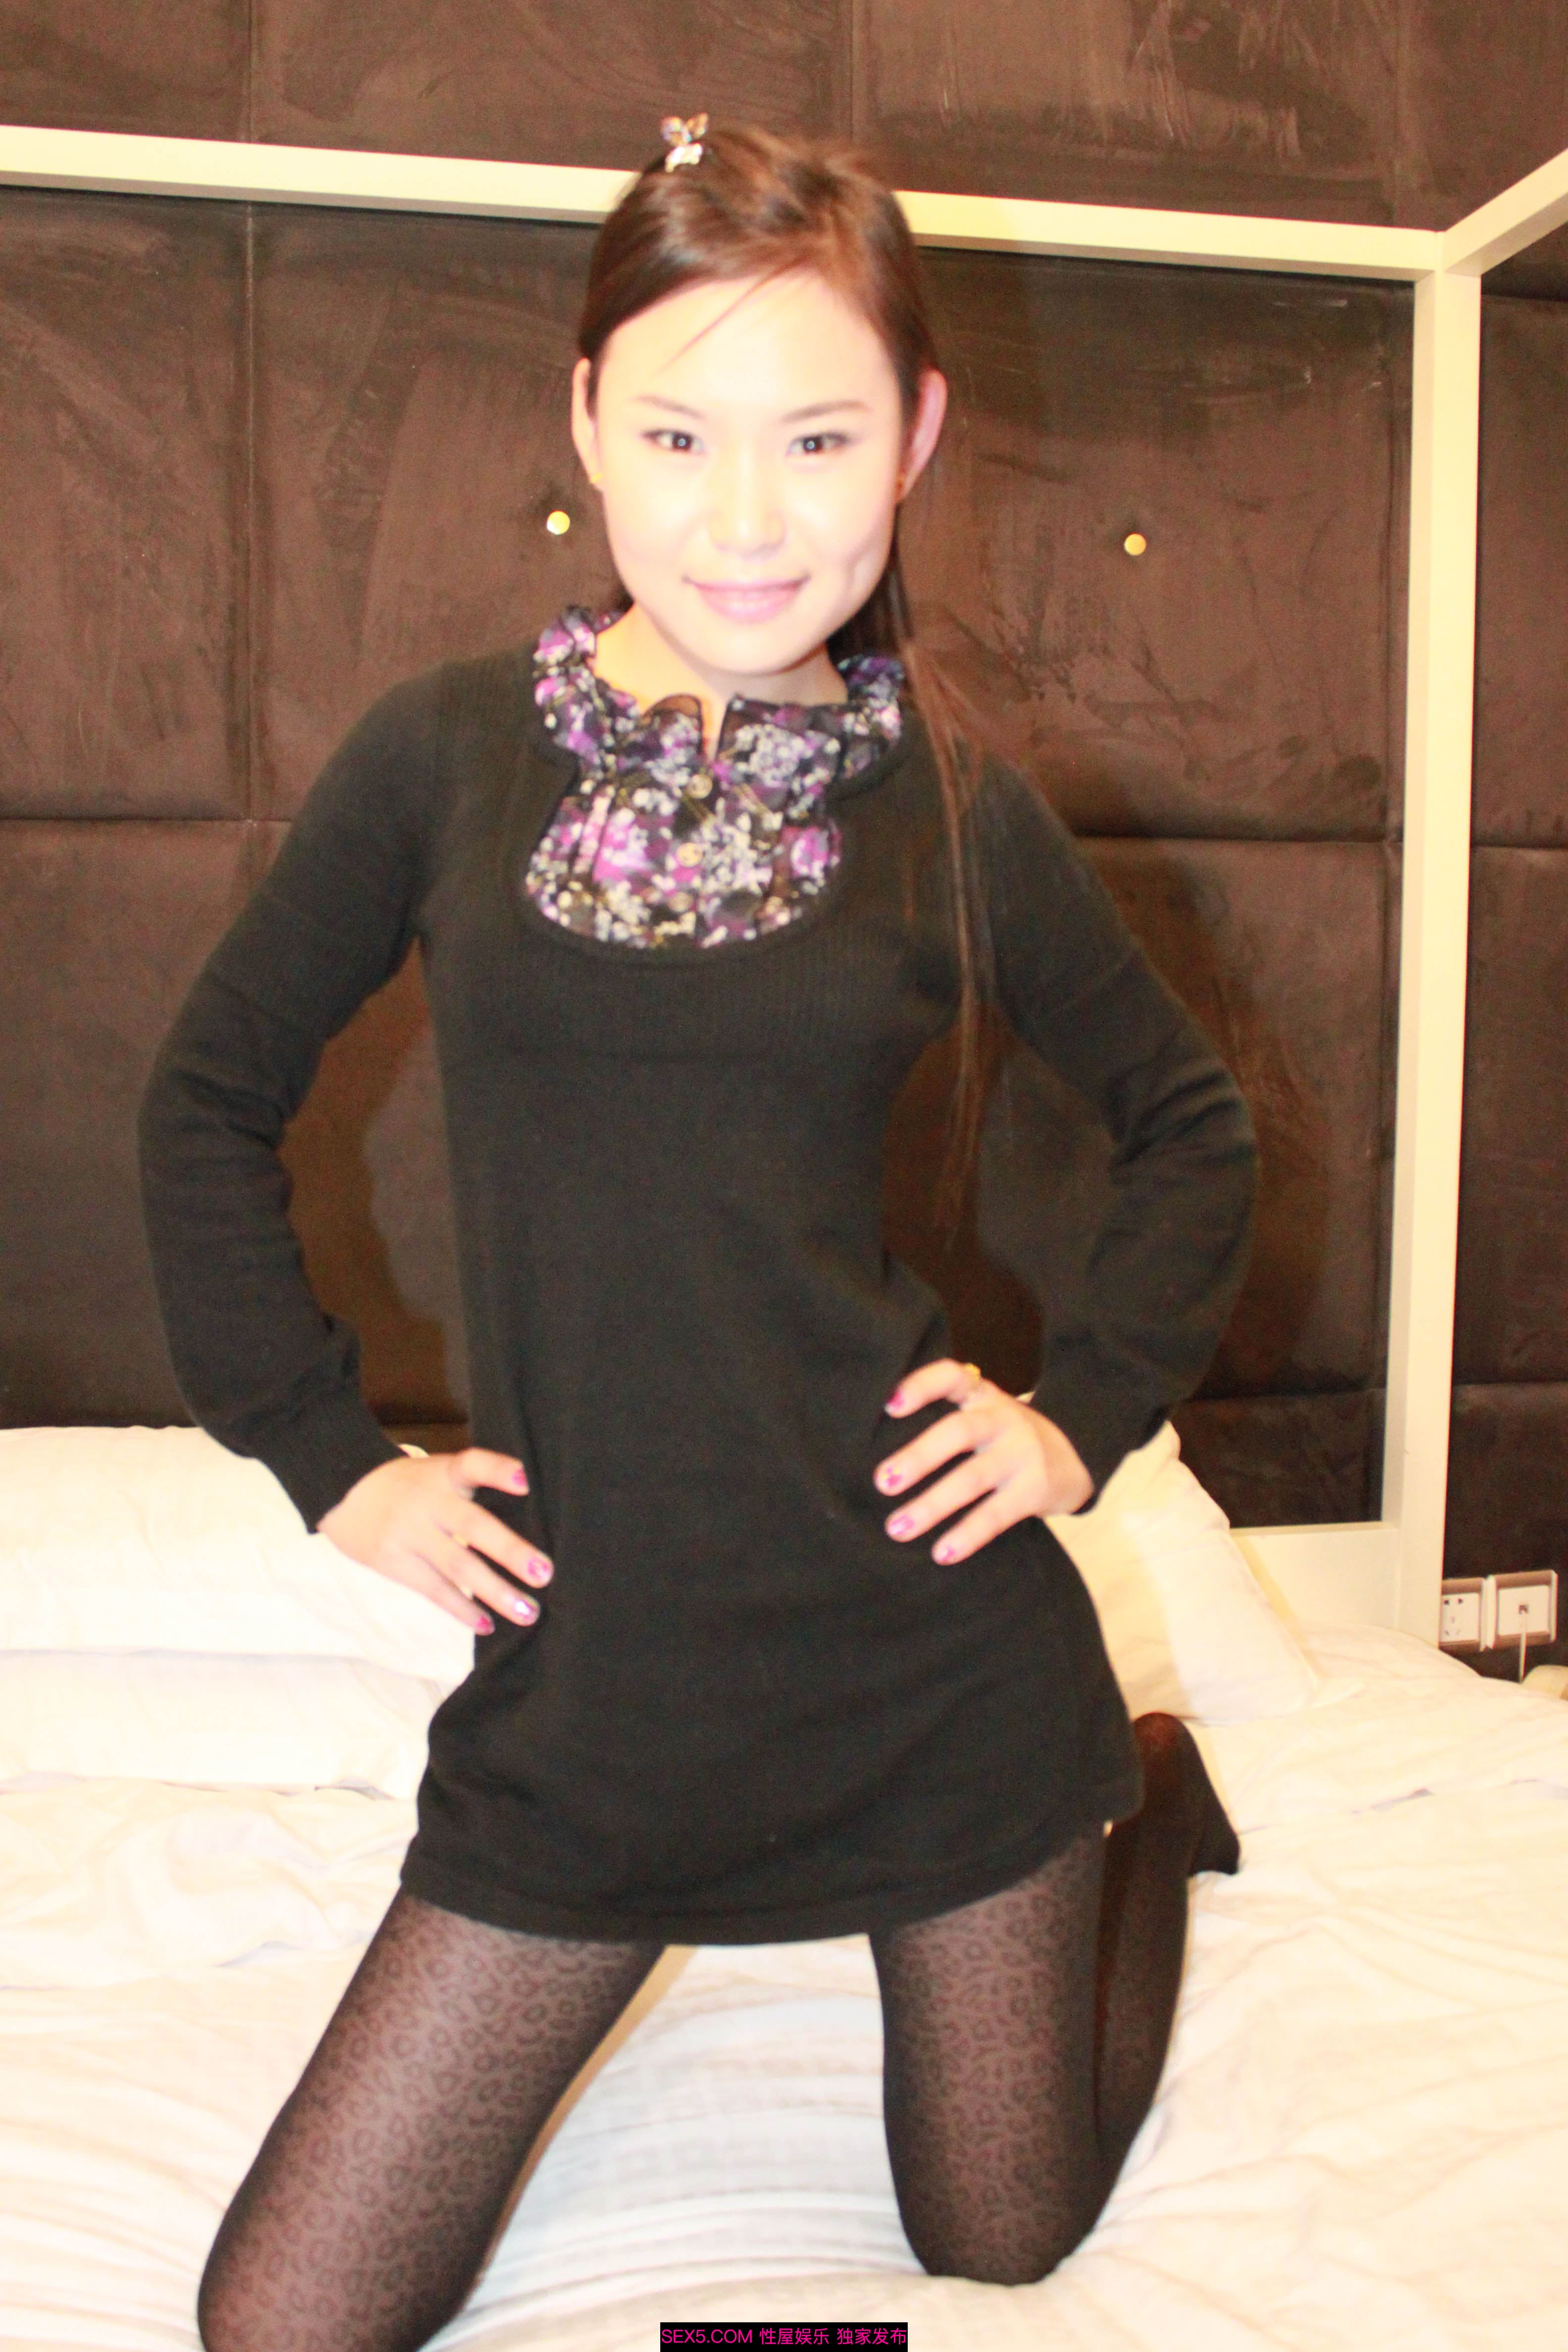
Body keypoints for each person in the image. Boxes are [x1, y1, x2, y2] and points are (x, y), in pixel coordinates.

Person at [140, 113, 1259, 2352]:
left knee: (1001, 2242)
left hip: (932, 1668)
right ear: (584, 421)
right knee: (282, 2320)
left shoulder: (956, 804)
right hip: (601, 1694)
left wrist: (1078, 1423)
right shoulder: (443, 756)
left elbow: (1193, 1126)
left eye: (818, 437)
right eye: (677, 432)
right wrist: (330, 1459)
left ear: (915, 437)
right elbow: (204, 1104)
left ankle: (1139, 1803)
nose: (747, 516)